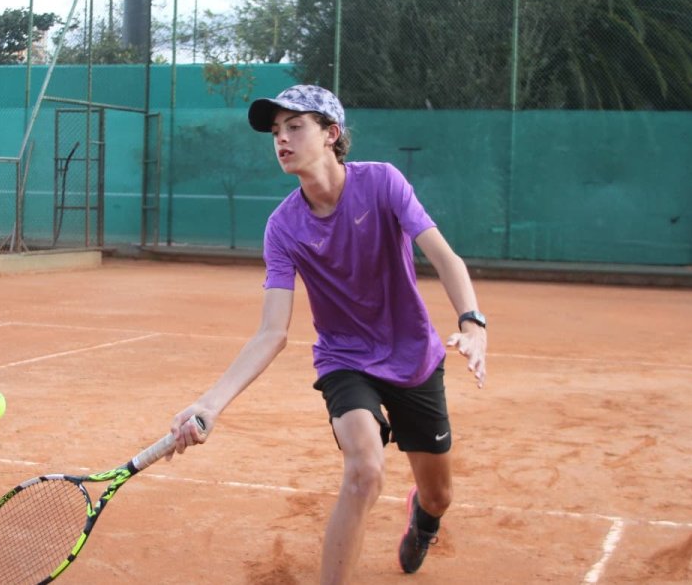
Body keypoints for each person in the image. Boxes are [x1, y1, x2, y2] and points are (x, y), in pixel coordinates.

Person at [169, 85, 488, 584]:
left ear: (331, 134)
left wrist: (472, 321)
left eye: (295, 126)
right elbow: (272, 332)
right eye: (276, 131)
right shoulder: (283, 227)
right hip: (346, 362)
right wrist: (210, 403)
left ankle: (423, 521)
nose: (281, 139)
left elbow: (444, 256)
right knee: (364, 470)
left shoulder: (383, 183)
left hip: (415, 358)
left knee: (438, 495)